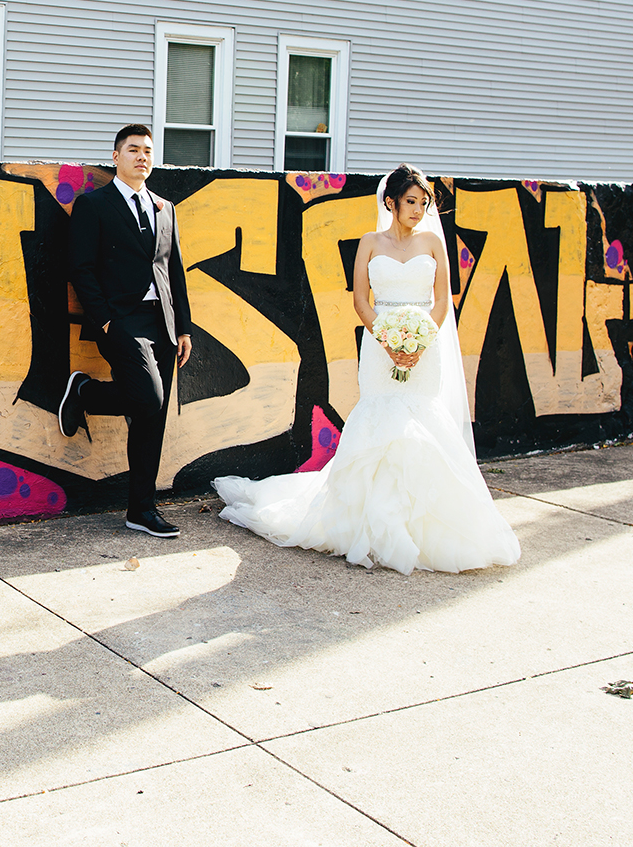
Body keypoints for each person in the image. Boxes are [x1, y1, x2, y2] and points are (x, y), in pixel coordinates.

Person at [213, 164, 519, 574]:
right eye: (411, 201)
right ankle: (369, 525)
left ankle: (423, 525)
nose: (418, 210)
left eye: (423, 203)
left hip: (424, 348)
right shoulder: (370, 243)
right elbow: (361, 301)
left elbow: (443, 301)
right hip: (379, 347)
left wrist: (420, 341)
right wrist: (389, 341)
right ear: (391, 202)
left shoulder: (433, 242)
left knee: (422, 421)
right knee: (379, 420)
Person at [59, 125, 193, 538]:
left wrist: (184, 327)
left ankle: (141, 510)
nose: (142, 157)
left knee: (153, 418)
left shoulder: (165, 208)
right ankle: (85, 392)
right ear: (116, 157)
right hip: (121, 320)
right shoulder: (94, 205)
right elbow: (80, 267)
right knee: (148, 397)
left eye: (148, 151)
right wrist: (104, 319)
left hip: (162, 321)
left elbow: (173, 269)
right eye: (133, 150)